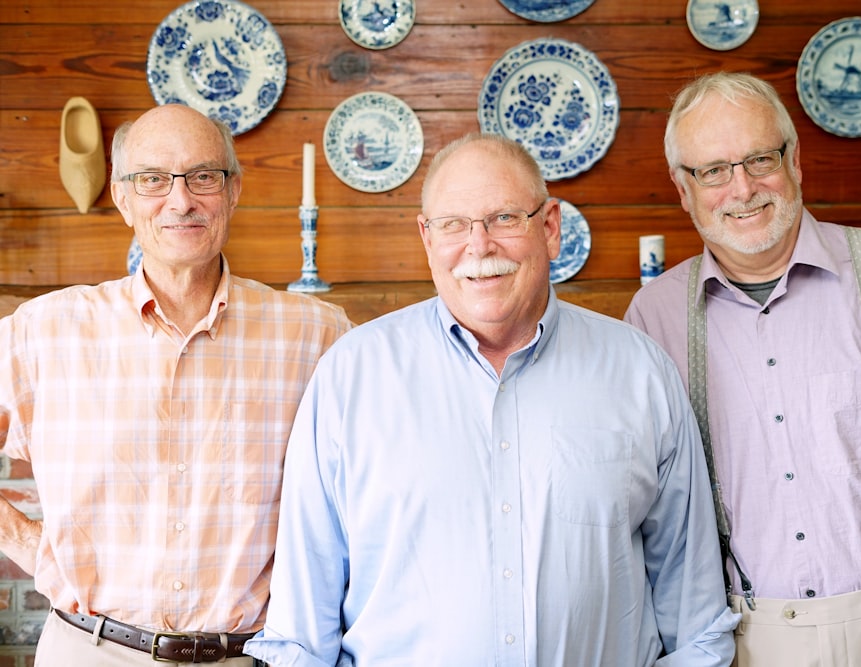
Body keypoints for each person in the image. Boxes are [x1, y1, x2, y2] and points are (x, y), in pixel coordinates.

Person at [243, 132, 739, 666]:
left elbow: (696, 622)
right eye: (453, 224)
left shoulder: (641, 374)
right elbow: (300, 634)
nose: (479, 246)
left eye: (504, 218)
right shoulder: (350, 377)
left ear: (549, 228)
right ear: (427, 238)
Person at [625, 71, 861, 666]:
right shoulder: (653, 317)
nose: (742, 187)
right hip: (743, 645)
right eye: (713, 170)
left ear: (794, 159)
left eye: (759, 158)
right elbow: (648, 514)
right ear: (682, 186)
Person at [0, 104, 353, 666]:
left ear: (233, 191)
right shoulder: (43, 332)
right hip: (88, 651)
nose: (181, 199)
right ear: (122, 197)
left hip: (247, 657)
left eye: (203, 176)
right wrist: (25, 542)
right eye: (153, 179)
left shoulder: (317, 334)